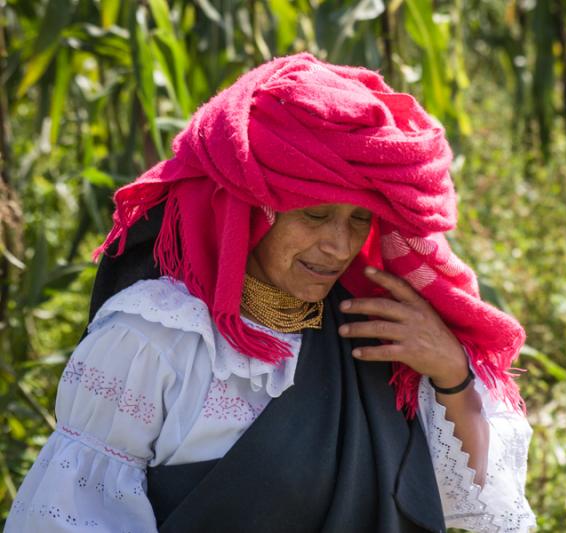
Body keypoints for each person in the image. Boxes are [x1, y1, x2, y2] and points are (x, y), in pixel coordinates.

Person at [5, 53, 536, 532]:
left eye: (358, 220)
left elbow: (464, 497)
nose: (337, 246)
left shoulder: (376, 333)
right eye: (315, 215)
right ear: (250, 212)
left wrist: (450, 372)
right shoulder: (158, 339)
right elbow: (72, 516)